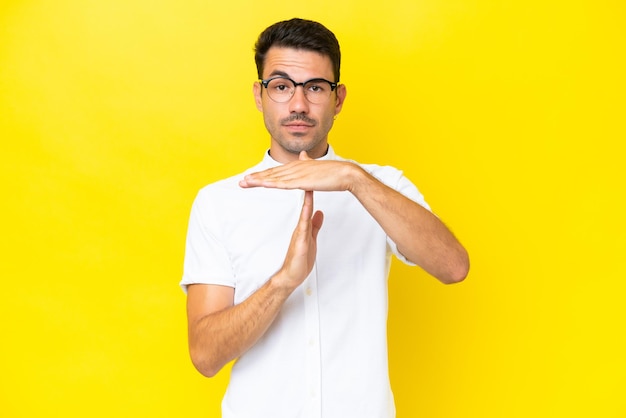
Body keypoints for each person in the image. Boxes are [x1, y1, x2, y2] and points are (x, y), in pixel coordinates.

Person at [181, 17, 469, 418]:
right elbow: (206, 355)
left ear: (338, 98)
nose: (298, 104)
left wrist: (354, 179)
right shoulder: (219, 202)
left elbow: (453, 266)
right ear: (259, 95)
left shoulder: (381, 185)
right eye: (281, 86)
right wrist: (283, 282)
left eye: (315, 87)